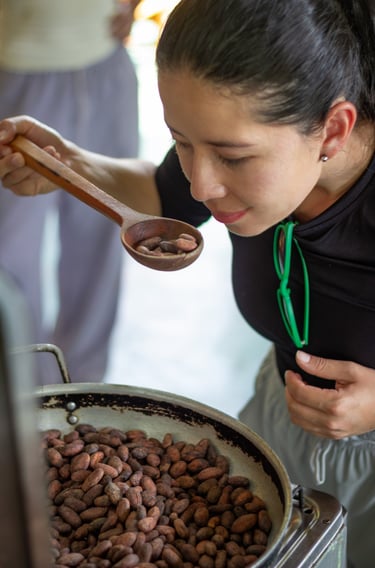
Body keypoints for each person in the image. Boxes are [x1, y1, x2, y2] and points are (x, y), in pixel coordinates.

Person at [0, 0, 374, 564]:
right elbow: (163, 194)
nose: (202, 185)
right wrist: (69, 164)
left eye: (232, 157)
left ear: (334, 129)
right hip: (278, 417)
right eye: (182, 141)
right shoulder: (233, 159)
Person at [0, 0, 141, 384]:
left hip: (105, 63)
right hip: (15, 71)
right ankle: (24, 394)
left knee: (104, 235)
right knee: (9, 257)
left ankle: (84, 391)